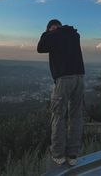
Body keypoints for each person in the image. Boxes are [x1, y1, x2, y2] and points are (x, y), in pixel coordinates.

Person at [37, 19, 85, 166]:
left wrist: (48, 32)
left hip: (64, 79)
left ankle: (58, 155)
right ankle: (72, 155)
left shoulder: (54, 35)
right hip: (80, 78)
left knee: (58, 116)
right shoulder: (73, 34)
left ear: (52, 27)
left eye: (50, 28)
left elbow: (40, 47)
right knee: (76, 116)